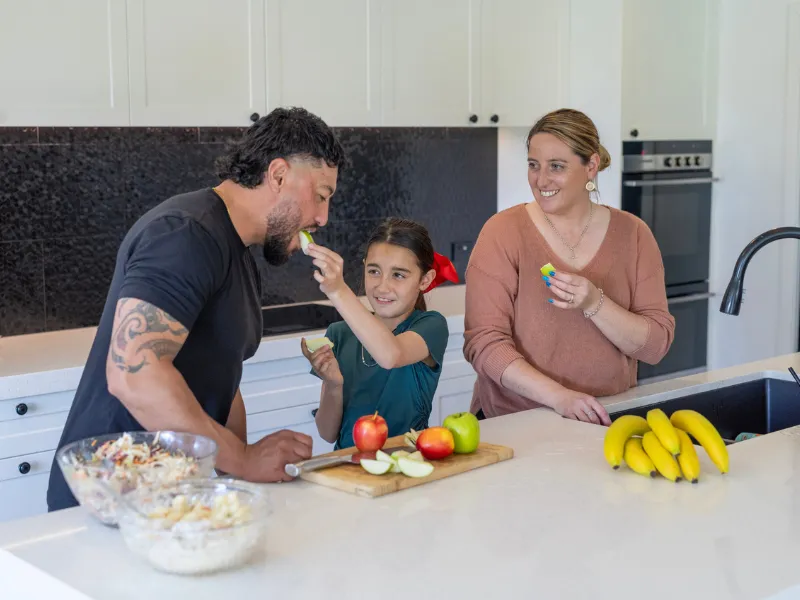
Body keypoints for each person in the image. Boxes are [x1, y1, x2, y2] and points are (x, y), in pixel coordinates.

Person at [47, 107, 347, 512]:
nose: (321, 217)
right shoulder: (186, 235)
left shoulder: (236, 251)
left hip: (170, 497)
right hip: (111, 498)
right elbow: (133, 373)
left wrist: (238, 467)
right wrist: (242, 459)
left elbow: (221, 378)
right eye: (321, 196)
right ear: (278, 176)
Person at [463, 108, 675, 426]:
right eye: (534, 166)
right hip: (514, 423)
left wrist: (595, 304)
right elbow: (484, 344)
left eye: (557, 167)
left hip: (606, 420)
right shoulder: (503, 232)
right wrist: (560, 397)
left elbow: (655, 345)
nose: (541, 179)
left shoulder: (634, 235)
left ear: (590, 166)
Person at [300, 218, 458, 449]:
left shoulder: (430, 326)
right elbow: (327, 433)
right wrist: (333, 384)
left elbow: (390, 355)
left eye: (398, 275)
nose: (382, 287)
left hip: (407, 465)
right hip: (348, 467)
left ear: (425, 280)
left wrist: (338, 290)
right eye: (374, 271)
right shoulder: (339, 333)